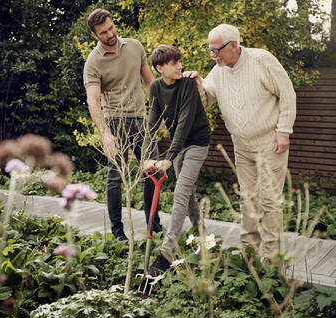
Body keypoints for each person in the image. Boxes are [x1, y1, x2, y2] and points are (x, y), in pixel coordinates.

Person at [185, 24, 296, 263]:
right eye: (210, 50)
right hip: (242, 146)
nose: (213, 55)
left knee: (269, 200)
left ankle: (271, 257)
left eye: (217, 50)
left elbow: (287, 93)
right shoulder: (218, 71)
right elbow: (205, 102)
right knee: (247, 198)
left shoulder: (262, 60)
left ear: (234, 45)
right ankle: (249, 250)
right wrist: (197, 86)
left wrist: (284, 131)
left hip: (270, 143)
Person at [83, 8, 161, 240]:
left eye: (111, 27)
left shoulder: (135, 46)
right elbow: (93, 100)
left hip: (141, 120)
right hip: (115, 123)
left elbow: (151, 84)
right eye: (103, 32)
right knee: (116, 178)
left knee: (153, 172)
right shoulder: (93, 62)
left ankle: (153, 226)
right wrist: (105, 134)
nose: (110, 34)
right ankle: (118, 233)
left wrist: (158, 115)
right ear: (95, 35)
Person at [143, 45, 211, 277]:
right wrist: (145, 157)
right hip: (179, 146)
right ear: (160, 68)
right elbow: (153, 122)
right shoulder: (155, 87)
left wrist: (169, 158)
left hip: (197, 143)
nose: (179, 66)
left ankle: (165, 255)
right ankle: (202, 239)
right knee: (188, 194)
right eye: (173, 63)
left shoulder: (188, 85)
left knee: (181, 192)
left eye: (179, 61)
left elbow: (183, 122)